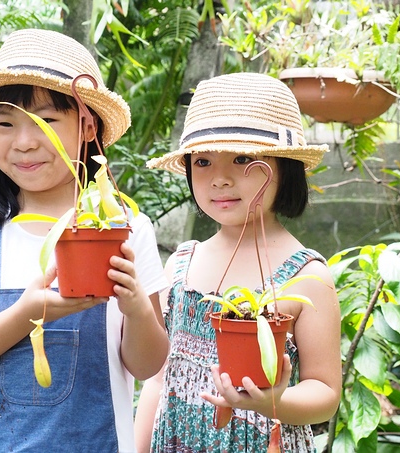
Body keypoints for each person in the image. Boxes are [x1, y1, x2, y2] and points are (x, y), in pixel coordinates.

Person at [0, 28, 168, 452]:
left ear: (87, 125)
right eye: (5, 123)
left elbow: (148, 365)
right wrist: (27, 312)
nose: (24, 142)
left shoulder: (128, 228)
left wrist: (136, 309)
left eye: (46, 121)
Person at [135, 72, 342, 452]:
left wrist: (271, 402)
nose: (220, 179)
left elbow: (325, 391)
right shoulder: (181, 264)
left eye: (243, 158)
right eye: (203, 161)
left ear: (284, 167)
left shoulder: (306, 276)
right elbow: (157, 380)